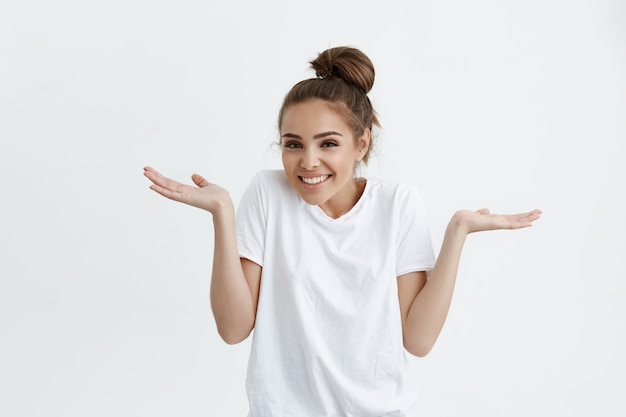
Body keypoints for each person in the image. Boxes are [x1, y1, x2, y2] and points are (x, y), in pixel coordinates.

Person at [143, 46, 541, 417]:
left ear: (361, 142)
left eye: (328, 143)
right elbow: (233, 330)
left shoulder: (397, 204)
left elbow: (417, 342)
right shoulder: (268, 193)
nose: (308, 162)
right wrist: (222, 214)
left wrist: (457, 232)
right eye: (293, 144)